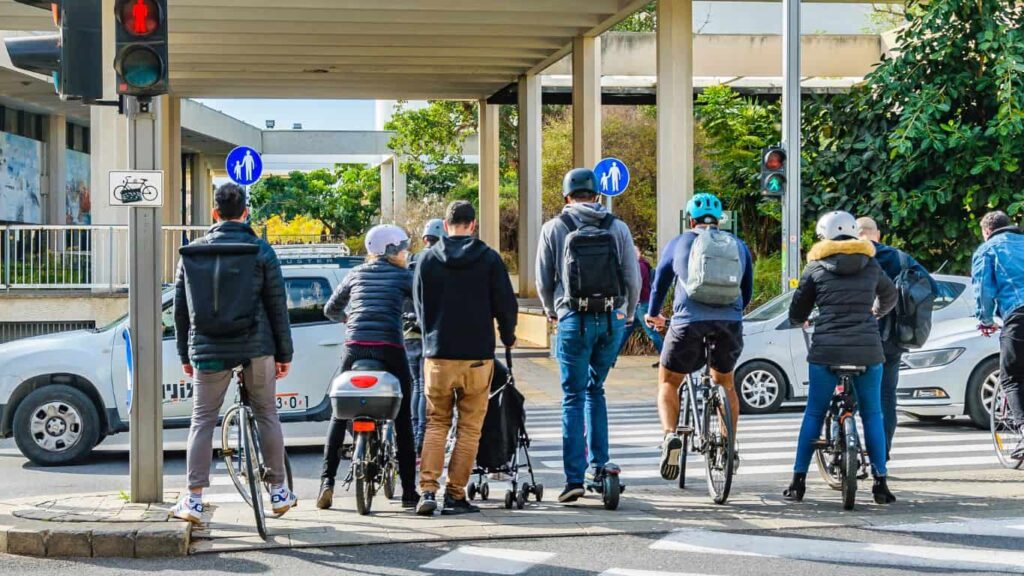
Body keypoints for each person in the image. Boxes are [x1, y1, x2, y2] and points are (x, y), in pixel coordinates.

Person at [171, 183, 296, 524]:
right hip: (257, 348)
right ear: (245, 213)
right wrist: (283, 353)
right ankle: (279, 491)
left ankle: (194, 499)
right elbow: (277, 307)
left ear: (214, 214)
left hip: (208, 349)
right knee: (267, 413)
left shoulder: (191, 254)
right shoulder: (261, 251)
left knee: (202, 420)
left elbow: (181, 312)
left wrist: (186, 354)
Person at [536, 168, 640, 504]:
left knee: (572, 396)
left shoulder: (554, 228)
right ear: (597, 195)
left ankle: (573, 478)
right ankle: (601, 465)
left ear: (566, 196)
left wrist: (553, 310)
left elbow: (542, 279)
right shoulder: (618, 227)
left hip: (573, 320)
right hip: (610, 319)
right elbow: (632, 278)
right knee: (597, 390)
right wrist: (625, 312)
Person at [785, 210, 898, 504]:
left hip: (827, 350)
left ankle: (797, 483)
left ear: (824, 236)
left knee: (814, 413)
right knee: (873, 413)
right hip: (867, 349)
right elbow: (891, 296)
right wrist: (876, 312)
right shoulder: (871, 265)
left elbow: (796, 312)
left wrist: (803, 320)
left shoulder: (815, 268)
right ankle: (881, 484)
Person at [414, 201, 518, 516]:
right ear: (473, 225)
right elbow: (505, 304)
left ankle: (428, 491)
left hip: (438, 354)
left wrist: (430, 337)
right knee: (470, 428)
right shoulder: (488, 259)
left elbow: (420, 308)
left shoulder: (427, 260)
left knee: (436, 423)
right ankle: (456, 495)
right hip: (477, 355)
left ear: (446, 226)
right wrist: (508, 336)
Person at [647, 193, 753, 481]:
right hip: (729, 323)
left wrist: (654, 314)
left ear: (690, 219)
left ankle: (670, 436)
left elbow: (659, 285)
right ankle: (727, 442)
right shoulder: (738, 246)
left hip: (688, 324)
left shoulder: (679, 243)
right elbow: (747, 290)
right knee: (726, 383)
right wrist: (731, 315)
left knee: (669, 381)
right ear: (720, 220)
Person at [316, 224, 420, 510]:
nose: (405, 252)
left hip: (355, 346)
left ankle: (327, 482)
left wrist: (348, 319)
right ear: (391, 251)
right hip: (390, 347)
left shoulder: (355, 274)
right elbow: (422, 306)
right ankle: (410, 491)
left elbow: (330, 309)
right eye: (402, 247)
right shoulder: (403, 276)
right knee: (403, 417)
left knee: (339, 413)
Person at [856, 216, 937, 461]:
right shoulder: (900, 258)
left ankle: (848, 443)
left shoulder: (850, 258)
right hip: (892, 338)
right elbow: (932, 287)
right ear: (877, 234)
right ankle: (883, 453)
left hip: (856, 337)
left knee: (855, 395)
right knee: (886, 397)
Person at [972, 210, 1024, 460]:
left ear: (986, 231)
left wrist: (984, 319)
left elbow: (983, 288)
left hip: (1019, 315)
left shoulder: (988, 249)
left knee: (1011, 378)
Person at [404, 218, 447, 454]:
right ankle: (421, 434)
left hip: (409, 332)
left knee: (415, 385)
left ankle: (412, 433)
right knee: (425, 386)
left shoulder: (410, 262)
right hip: (431, 332)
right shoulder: (441, 261)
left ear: (424, 239)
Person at [618, 245, 665, 358]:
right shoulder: (643, 265)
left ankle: (666, 359)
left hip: (641, 305)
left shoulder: (640, 267)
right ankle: (611, 360)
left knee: (652, 333)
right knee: (625, 332)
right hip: (640, 305)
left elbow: (636, 285)